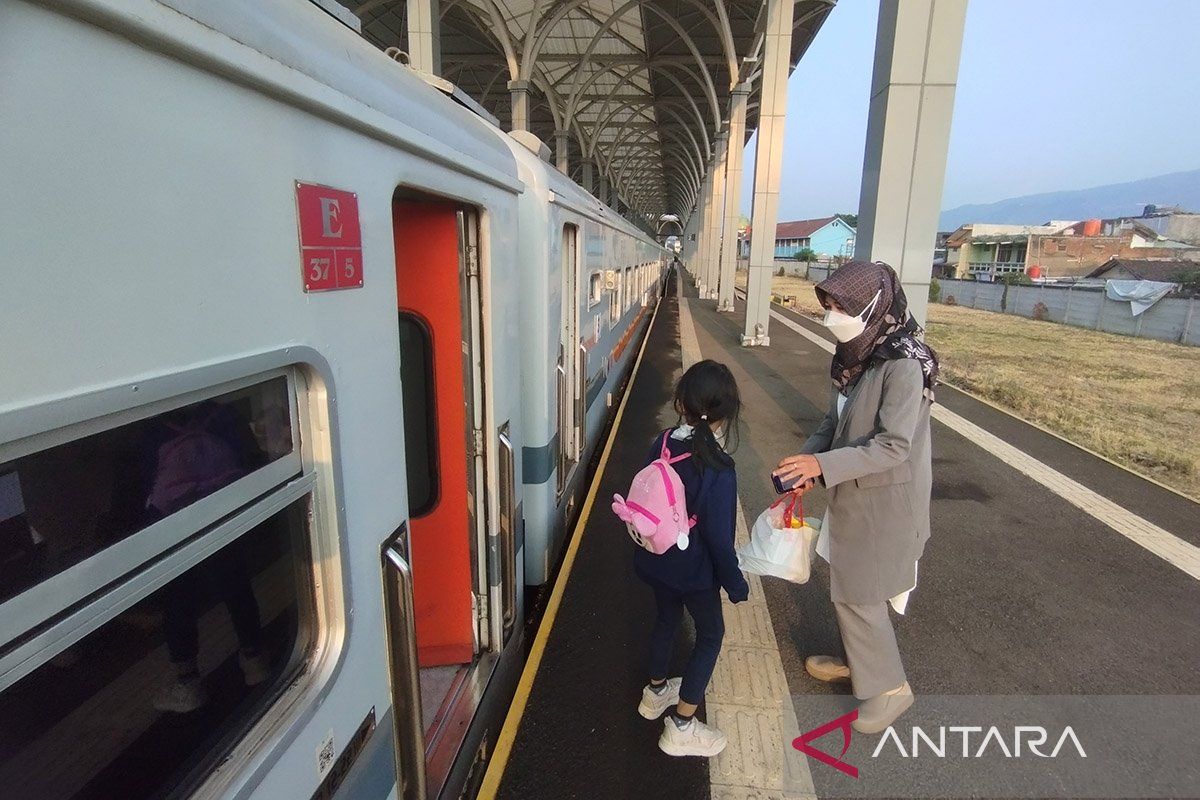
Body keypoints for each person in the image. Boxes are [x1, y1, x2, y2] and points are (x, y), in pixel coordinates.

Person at [773, 260, 937, 734]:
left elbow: (894, 445)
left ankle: (889, 690)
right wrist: (803, 466)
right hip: (857, 495)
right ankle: (860, 663)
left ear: (872, 305)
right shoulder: (855, 357)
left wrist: (822, 467)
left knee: (860, 594)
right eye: (827, 306)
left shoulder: (904, 365)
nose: (831, 316)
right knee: (850, 586)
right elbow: (833, 425)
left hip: (885, 503)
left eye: (839, 307)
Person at [633, 360, 749, 757]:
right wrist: (736, 584)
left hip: (656, 558)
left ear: (681, 401)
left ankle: (655, 693)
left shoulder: (663, 441)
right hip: (694, 572)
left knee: (666, 619)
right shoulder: (718, 467)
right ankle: (682, 725)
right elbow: (719, 539)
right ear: (725, 414)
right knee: (711, 635)